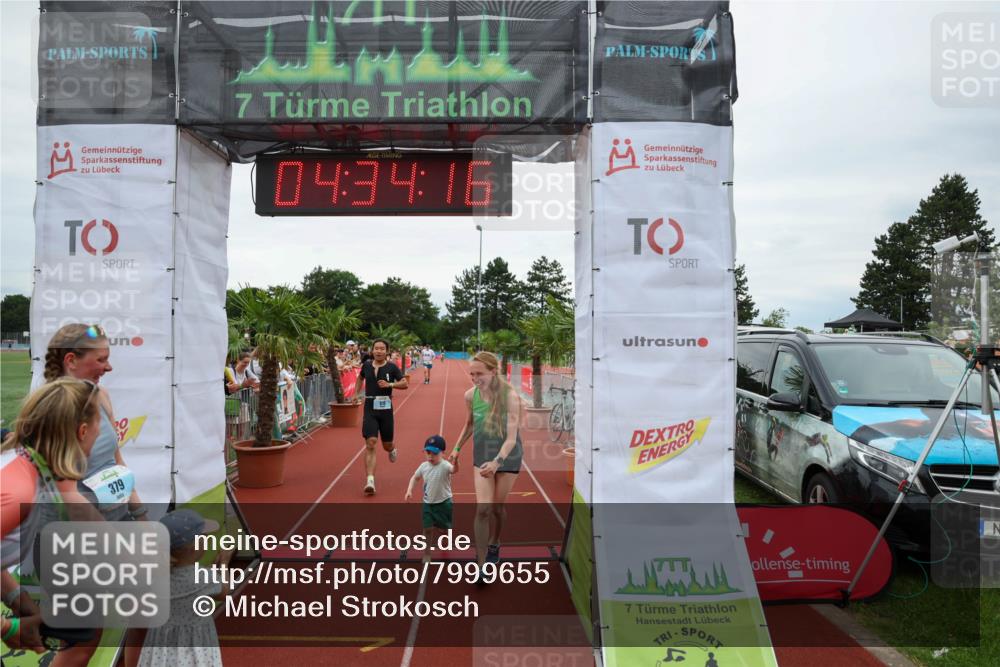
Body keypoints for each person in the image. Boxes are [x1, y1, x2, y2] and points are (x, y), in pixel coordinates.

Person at [1, 379, 106, 655]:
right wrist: (6, 629)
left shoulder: (33, 469)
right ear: (82, 432)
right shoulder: (18, 488)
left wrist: (19, 603)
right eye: (99, 429)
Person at [44, 323, 148, 523]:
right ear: (71, 361)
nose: (109, 367)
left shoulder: (100, 396)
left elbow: (117, 463)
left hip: (118, 519)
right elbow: (65, 492)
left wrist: (141, 516)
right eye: (102, 360)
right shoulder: (52, 412)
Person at [450, 351, 523, 569]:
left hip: (507, 458)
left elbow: (511, 438)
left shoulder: (510, 397)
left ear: (493, 371)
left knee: (497, 509)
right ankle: (481, 563)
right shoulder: (470, 396)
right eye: (472, 374)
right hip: (482, 457)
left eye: (479, 374)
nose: (474, 379)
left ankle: (495, 542)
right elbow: (470, 425)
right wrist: (456, 449)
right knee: (483, 509)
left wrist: (497, 463)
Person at [137, 509, 233, 667]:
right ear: (196, 548)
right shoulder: (203, 577)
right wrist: (223, 564)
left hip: (160, 644)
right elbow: (224, 592)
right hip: (195, 644)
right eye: (204, 537)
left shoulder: (152, 574)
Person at [354, 339, 408, 495]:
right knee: (370, 443)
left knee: (386, 445)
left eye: (382, 349)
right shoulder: (366, 365)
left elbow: (404, 383)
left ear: (387, 351)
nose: (378, 351)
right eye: (376, 348)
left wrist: (391, 385)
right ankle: (370, 480)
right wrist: (356, 394)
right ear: (372, 350)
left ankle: (392, 449)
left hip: (385, 409)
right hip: (370, 407)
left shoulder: (392, 367)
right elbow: (360, 378)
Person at [405, 435, 458, 561]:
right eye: (428, 452)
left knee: (443, 529)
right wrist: (409, 490)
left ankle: (443, 532)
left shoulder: (445, 465)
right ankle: (427, 552)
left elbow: (454, 470)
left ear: (443, 453)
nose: (430, 456)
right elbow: (415, 477)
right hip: (428, 503)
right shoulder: (424, 466)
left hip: (444, 503)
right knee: (427, 528)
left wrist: (457, 462)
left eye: (434, 453)